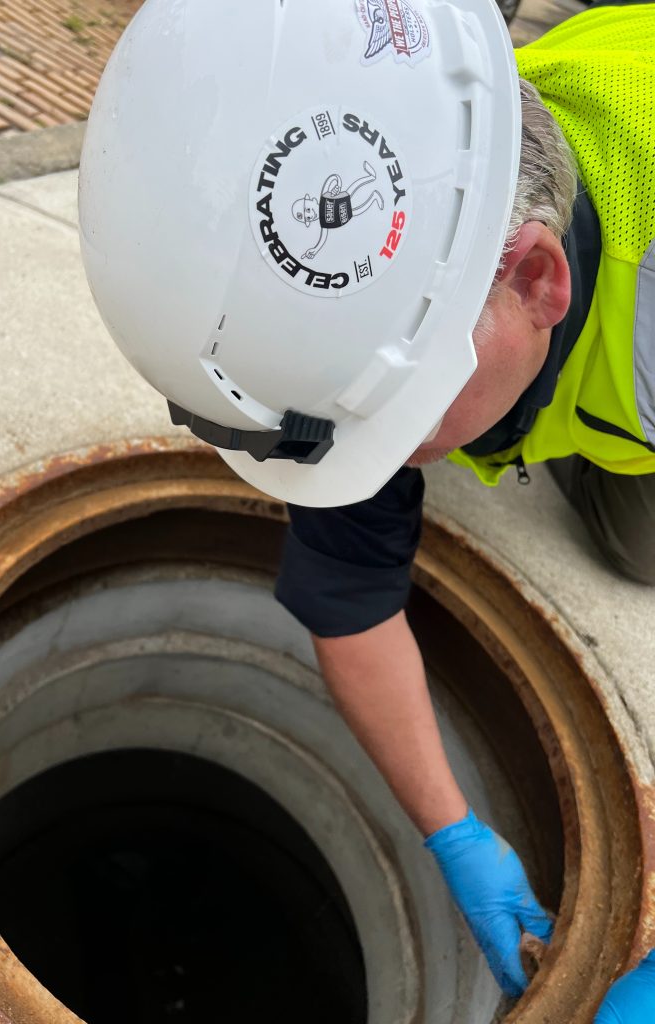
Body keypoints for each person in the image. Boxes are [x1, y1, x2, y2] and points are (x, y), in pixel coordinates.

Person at [78, 0, 655, 1016]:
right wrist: (454, 831)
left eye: (399, 414)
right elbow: (349, 589)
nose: (378, 456)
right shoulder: (406, 245)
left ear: (536, 279)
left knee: (637, 544)